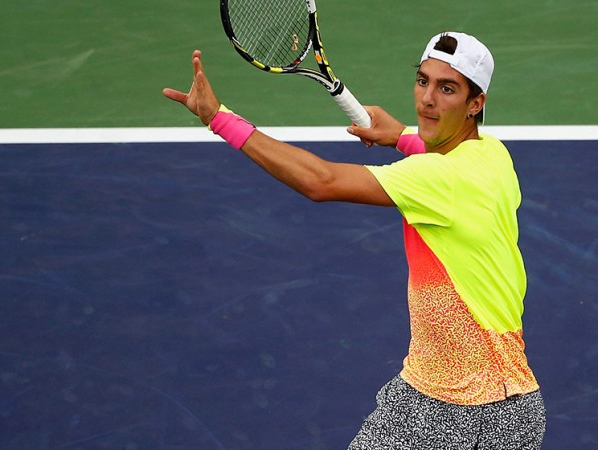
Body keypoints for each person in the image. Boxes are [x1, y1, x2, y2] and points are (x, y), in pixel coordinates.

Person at [163, 31, 546, 449]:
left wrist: (218, 117)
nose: (427, 99)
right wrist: (400, 135)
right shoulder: (493, 155)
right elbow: (440, 153)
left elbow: (320, 181)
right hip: (483, 402)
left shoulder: (439, 179)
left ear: (476, 104)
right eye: (423, 81)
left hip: (463, 411)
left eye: (447, 88)